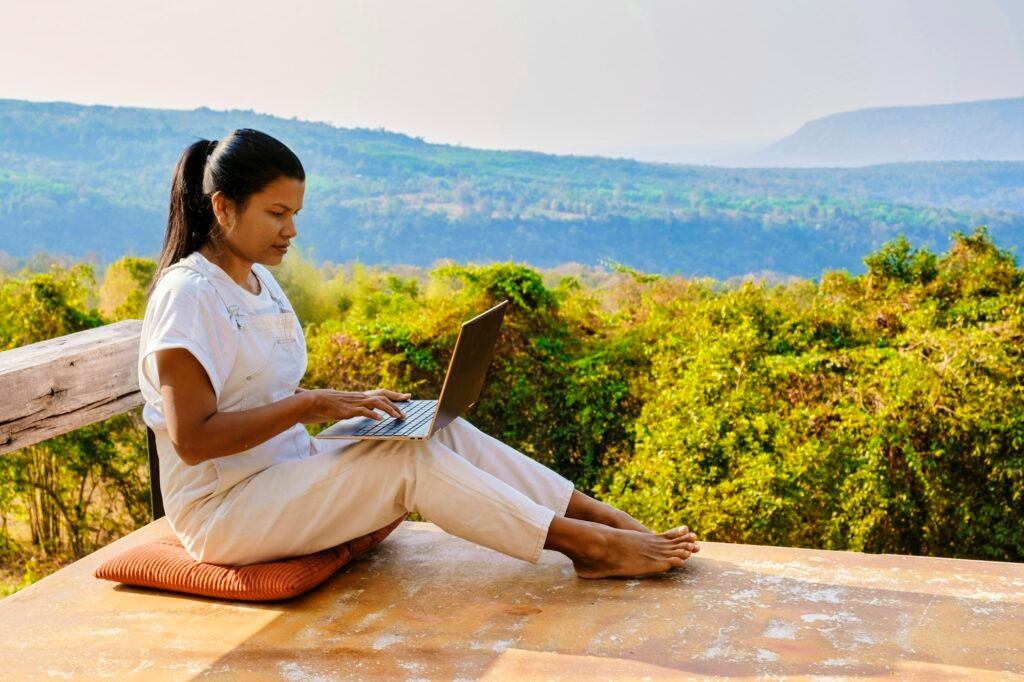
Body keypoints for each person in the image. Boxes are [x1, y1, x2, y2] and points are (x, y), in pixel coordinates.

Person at [138, 128, 699, 579]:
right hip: (227, 512)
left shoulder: (261, 283)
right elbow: (192, 440)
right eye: (277, 213)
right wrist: (312, 407)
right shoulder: (188, 294)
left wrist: (345, 406)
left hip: (288, 476)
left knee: (429, 427)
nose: (291, 230)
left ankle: (607, 520)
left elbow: (262, 391)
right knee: (409, 460)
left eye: (296, 214)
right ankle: (588, 547)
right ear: (223, 207)